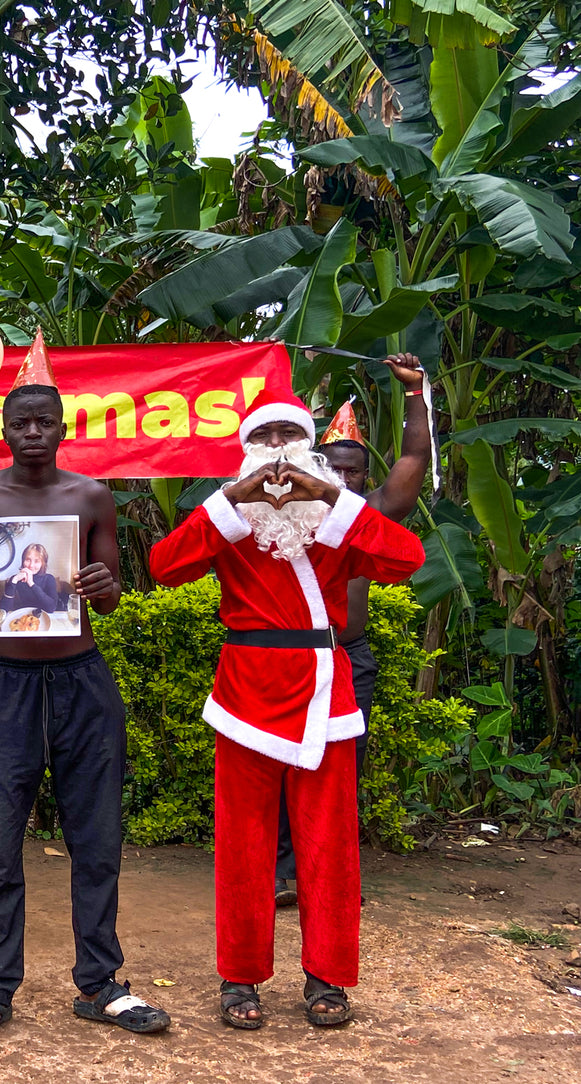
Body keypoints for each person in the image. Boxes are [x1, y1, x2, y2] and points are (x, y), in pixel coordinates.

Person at [148, 386, 424, 1031]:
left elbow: (406, 559)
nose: (277, 451)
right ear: (246, 452)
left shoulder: (338, 521)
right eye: (265, 438)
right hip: (245, 689)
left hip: (326, 690)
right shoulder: (231, 522)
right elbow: (163, 568)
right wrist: (231, 500)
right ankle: (238, 976)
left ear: (310, 451)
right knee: (242, 845)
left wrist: (330, 496)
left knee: (330, 845)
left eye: (288, 439)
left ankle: (326, 977)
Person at [0, 337, 170, 1041]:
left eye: (44, 421)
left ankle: (99, 983)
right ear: (4, 430)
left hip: (79, 682)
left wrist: (105, 584)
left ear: (62, 427)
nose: (32, 432)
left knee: (95, 838)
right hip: (4, 683)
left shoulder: (89, 496)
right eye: (20, 422)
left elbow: (109, 597)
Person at [273, 354, 431, 906]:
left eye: (353, 470)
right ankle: (274, 875)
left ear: (365, 475)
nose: (341, 478)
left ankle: (327, 876)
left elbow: (414, 457)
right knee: (278, 763)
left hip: (347, 657)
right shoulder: (286, 511)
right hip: (287, 657)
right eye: (331, 467)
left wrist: (414, 394)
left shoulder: (370, 513)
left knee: (340, 770)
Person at [0, 543, 61, 614]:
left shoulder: (49, 579)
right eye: (28, 560)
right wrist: (14, 581)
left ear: (43, 564)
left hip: (43, 618)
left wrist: (31, 584)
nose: (31, 565)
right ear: (23, 561)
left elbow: (51, 608)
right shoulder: (15, 579)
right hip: (21, 619)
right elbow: (3, 610)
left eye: (36, 561)